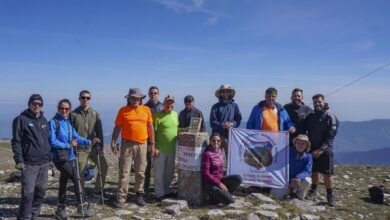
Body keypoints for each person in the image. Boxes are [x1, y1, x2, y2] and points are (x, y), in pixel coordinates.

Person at [49, 99, 99, 219]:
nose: (64, 110)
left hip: (70, 156)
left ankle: (60, 210)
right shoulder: (53, 122)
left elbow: (76, 137)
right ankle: (81, 206)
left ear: (69, 110)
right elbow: (52, 141)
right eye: (62, 108)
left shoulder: (68, 122)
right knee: (76, 178)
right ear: (58, 108)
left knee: (63, 182)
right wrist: (67, 145)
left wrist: (90, 142)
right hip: (60, 158)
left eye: (66, 109)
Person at [111, 88, 155, 207]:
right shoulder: (123, 110)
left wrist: (152, 143)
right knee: (124, 171)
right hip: (127, 144)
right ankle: (121, 197)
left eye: (137, 98)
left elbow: (150, 127)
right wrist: (113, 141)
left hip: (142, 144)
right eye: (133, 98)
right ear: (129, 99)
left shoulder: (146, 110)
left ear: (140, 99)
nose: (135, 100)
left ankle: (139, 195)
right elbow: (117, 127)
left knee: (141, 171)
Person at [11, 94, 51, 220]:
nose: (37, 106)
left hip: (44, 163)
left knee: (41, 192)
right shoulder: (21, 119)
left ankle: (35, 215)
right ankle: (24, 217)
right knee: (28, 194)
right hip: (29, 164)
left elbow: (46, 141)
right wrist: (19, 160)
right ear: (29, 104)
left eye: (39, 104)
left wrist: (50, 159)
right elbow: (16, 141)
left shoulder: (44, 120)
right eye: (34, 103)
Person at [71, 90, 108, 199]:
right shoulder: (73, 114)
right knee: (80, 172)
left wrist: (100, 147)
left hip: (93, 147)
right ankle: (81, 194)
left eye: (88, 98)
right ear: (79, 99)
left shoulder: (95, 114)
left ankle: (98, 190)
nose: (85, 100)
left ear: (90, 99)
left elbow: (99, 131)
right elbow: (71, 132)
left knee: (104, 166)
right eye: (83, 97)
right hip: (80, 149)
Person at [304, 94, 339, 207]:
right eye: (315, 102)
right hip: (312, 148)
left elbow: (331, 135)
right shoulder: (312, 115)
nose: (317, 104)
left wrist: (321, 149)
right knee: (314, 171)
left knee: (327, 174)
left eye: (319, 102)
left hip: (325, 150)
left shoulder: (330, 116)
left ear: (324, 101)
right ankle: (313, 190)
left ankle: (330, 196)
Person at [201, 133, 242, 205]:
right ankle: (218, 197)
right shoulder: (207, 154)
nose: (216, 142)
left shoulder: (219, 151)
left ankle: (218, 197)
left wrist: (221, 182)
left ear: (220, 142)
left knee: (238, 178)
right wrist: (219, 183)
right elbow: (205, 173)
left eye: (218, 141)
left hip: (220, 179)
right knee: (230, 201)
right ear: (210, 141)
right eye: (213, 140)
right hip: (210, 184)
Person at [153, 95, 179, 201]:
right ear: (163, 103)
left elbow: (176, 128)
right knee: (159, 172)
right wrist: (154, 147)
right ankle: (159, 194)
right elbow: (152, 132)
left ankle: (166, 191)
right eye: (167, 102)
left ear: (174, 104)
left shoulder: (175, 114)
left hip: (172, 149)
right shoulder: (157, 116)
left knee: (169, 172)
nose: (169, 104)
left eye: (171, 102)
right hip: (160, 149)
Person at [271, 134, 313, 200]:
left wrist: (298, 177)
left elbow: (307, 171)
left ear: (306, 146)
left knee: (307, 180)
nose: (300, 145)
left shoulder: (308, 157)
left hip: (298, 180)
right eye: (298, 143)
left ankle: (297, 197)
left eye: (303, 144)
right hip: (284, 179)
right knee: (276, 197)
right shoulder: (288, 151)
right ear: (295, 144)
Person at [210, 84, 242, 159]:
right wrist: (223, 125)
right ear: (220, 93)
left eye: (227, 91)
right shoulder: (215, 107)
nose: (225, 93)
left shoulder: (235, 106)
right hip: (218, 137)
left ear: (230, 93)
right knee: (216, 158)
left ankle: (229, 171)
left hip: (231, 136)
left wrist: (232, 124)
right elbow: (212, 122)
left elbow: (238, 119)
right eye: (223, 91)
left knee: (231, 158)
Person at [143, 86, 163, 193]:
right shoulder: (144, 107)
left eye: (155, 93)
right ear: (148, 94)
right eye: (151, 93)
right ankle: (145, 187)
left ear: (158, 94)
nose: (153, 95)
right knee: (147, 165)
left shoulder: (162, 107)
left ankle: (158, 187)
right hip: (147, 139)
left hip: (160, 139)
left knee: (159, 165)